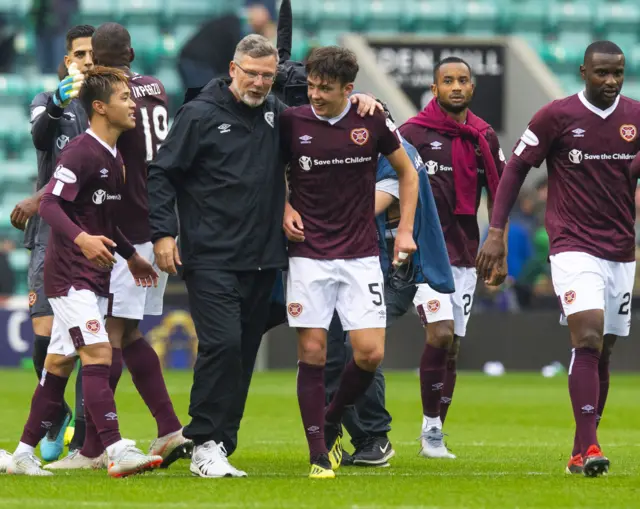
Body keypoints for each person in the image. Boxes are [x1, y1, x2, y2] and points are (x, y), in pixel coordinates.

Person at [149, 34, 378, 478]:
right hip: (211, 256)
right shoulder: (198, 114)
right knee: (222, 345)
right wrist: (163, 233)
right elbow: (160, 173)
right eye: (250, 73)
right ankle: (204, 439)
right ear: (232, 69)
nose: (257, 82)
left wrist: (366, 100)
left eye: (266, 76)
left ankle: (220, 444)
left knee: (243, 353)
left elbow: (328, 100)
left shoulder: (278, 114)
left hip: (264, 258)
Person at [477, 41, 640, 477]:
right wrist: (497, 229)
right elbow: (515, 168)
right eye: (602, 73)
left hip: (621, 249)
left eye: (618, 74)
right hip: (571, 243)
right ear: (584, 71)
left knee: (603, 348)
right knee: (587, 335)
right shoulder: (556, 116)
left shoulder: (636, 116)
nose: (610, 81)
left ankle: (577, 449)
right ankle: (590, 448)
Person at [43, 22, 192, 471]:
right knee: (127, 333)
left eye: (91, 59)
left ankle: (93, 448)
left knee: (105, 342)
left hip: (124, 225)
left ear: (100, 60)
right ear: (131, 52)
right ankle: (168, 429)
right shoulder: (156, 87)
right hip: (160, 221)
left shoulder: (113, 96)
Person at [3, 66, 162, 477]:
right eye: (124, 98)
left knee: (58, 365)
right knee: (98, 352)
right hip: (69, 275)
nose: (133, 103)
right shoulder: (80, 151)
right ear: (100, 107)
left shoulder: (114, 156)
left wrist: (130, 255)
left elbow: (105, 222)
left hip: (93, 276)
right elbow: (51, 205)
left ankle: (21, 453)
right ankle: (115, 448)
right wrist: (83, 241)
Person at [280, 46, 419, 479]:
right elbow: (267, 173)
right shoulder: (291, 122)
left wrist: (407, 231)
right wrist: (284, 207)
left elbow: (407, 172)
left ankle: (332, 418)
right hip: (309, 255)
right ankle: (318, 453)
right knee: (314, 351)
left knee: (370, 354)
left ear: (348, 89)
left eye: (326, 88)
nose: (316, 95)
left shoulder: (371, 118)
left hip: (360, 254)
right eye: (312, 86)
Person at [325, 105, 454, 468]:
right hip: (364, 262)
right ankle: (351, 435)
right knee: (338, 350)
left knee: (361, 347)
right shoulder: (378, 146)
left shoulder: (397, 154)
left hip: (396, 268)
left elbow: (365, 209)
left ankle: (372, 437)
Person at [399, 56, 507, 458]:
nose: (456, 87)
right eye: (448, 81)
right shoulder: (410, 133)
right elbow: (388, 183)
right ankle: (429, 430)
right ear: (434, 88)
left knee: (454, 347)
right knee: (440, 334)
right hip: (425, 256)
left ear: (472, 88)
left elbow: (500, 194)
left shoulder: (484, 136)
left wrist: (501, 248)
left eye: (463, 80)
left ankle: (437, 430)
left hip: (465, 255)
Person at [10, 24, 94, 461]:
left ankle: (83, 435)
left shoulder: (107, 107)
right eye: (79, 54)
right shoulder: (47, 102)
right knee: (45, 334)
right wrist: (60, 102)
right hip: (48, 232)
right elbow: (42, 139)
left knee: (88, 339)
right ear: (67, 61)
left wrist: (36, 195)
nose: (86, 61)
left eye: (93, 54)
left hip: (95, 230)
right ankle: (55, 413)